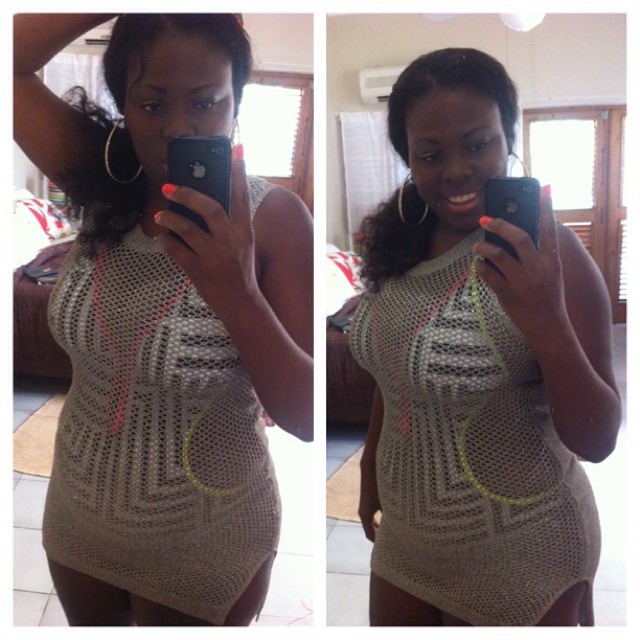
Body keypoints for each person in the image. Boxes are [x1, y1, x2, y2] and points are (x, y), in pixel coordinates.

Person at [14, 13, 313, 626]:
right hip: (79, 512)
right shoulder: (101, 180)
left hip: (206, 534)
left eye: (206, 102)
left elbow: (307, 417)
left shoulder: (277, 219)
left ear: (236, 99)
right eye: (150, 104)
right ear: (123, 104)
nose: (178, 128)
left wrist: (237, 293)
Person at [349, 48, 621, 626]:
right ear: (408, 158)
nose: (456, 170)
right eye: (430, 154)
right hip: (408, 538)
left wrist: (545, 315)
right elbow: (397, 371)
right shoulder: (396, 243)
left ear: (508, 137)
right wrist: (371, 470)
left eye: (478, 145)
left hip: (525, 546)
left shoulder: (554, 254)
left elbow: (598, 439)